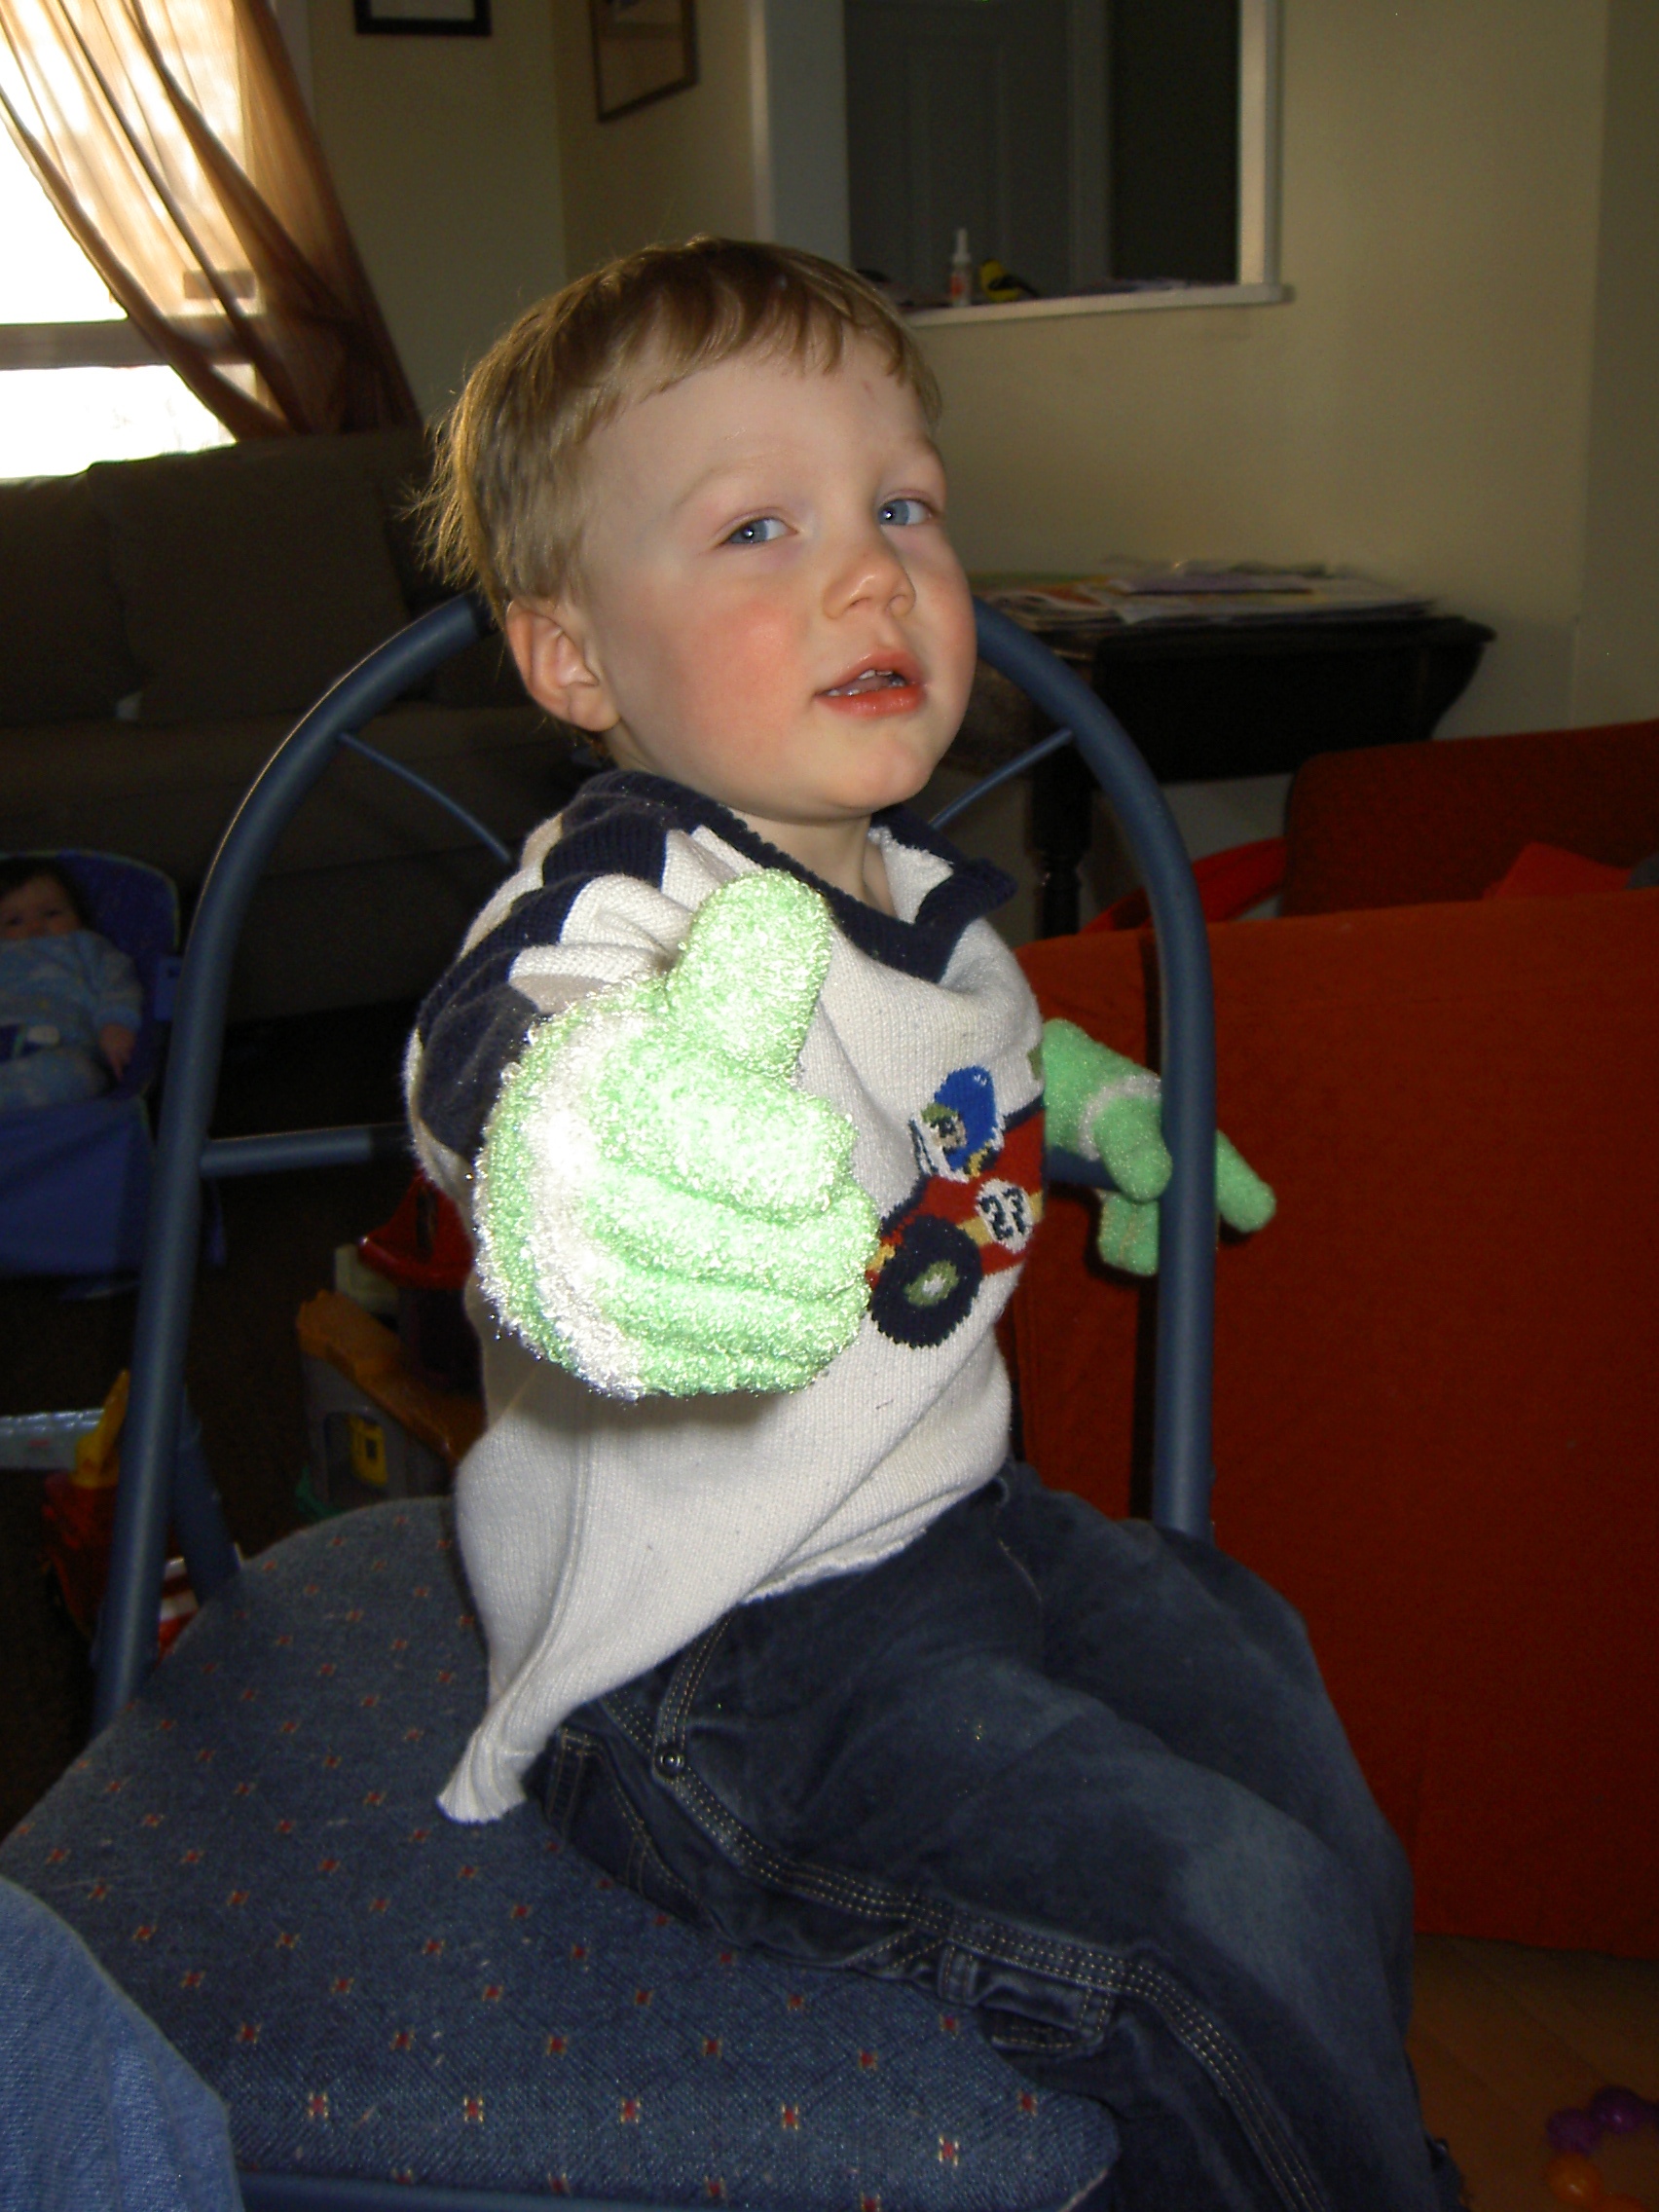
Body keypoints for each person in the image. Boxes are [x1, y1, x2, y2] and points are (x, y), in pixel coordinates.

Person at [406, 239, 1462, 2211]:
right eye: (758, 527)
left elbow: (959, 1054)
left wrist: (1094, 1110)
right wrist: (599, 1173)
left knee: (1285, 1726)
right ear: (573, 660)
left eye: (901, 505)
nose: (870, 573)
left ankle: (1328, 2141)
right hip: (716, 1655)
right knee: (1217, 1909)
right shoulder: (620, 910)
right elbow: (514, 1064)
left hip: (962, 1524)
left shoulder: (918, 892)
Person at [0, 857, 141, 1114]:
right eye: (14, 921)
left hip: (59, 1048)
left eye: (52, 913)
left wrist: (116, 1024)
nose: (35, 928)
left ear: (79, 916)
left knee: (75, 1076)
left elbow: (119, 985)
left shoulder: (87, 947)